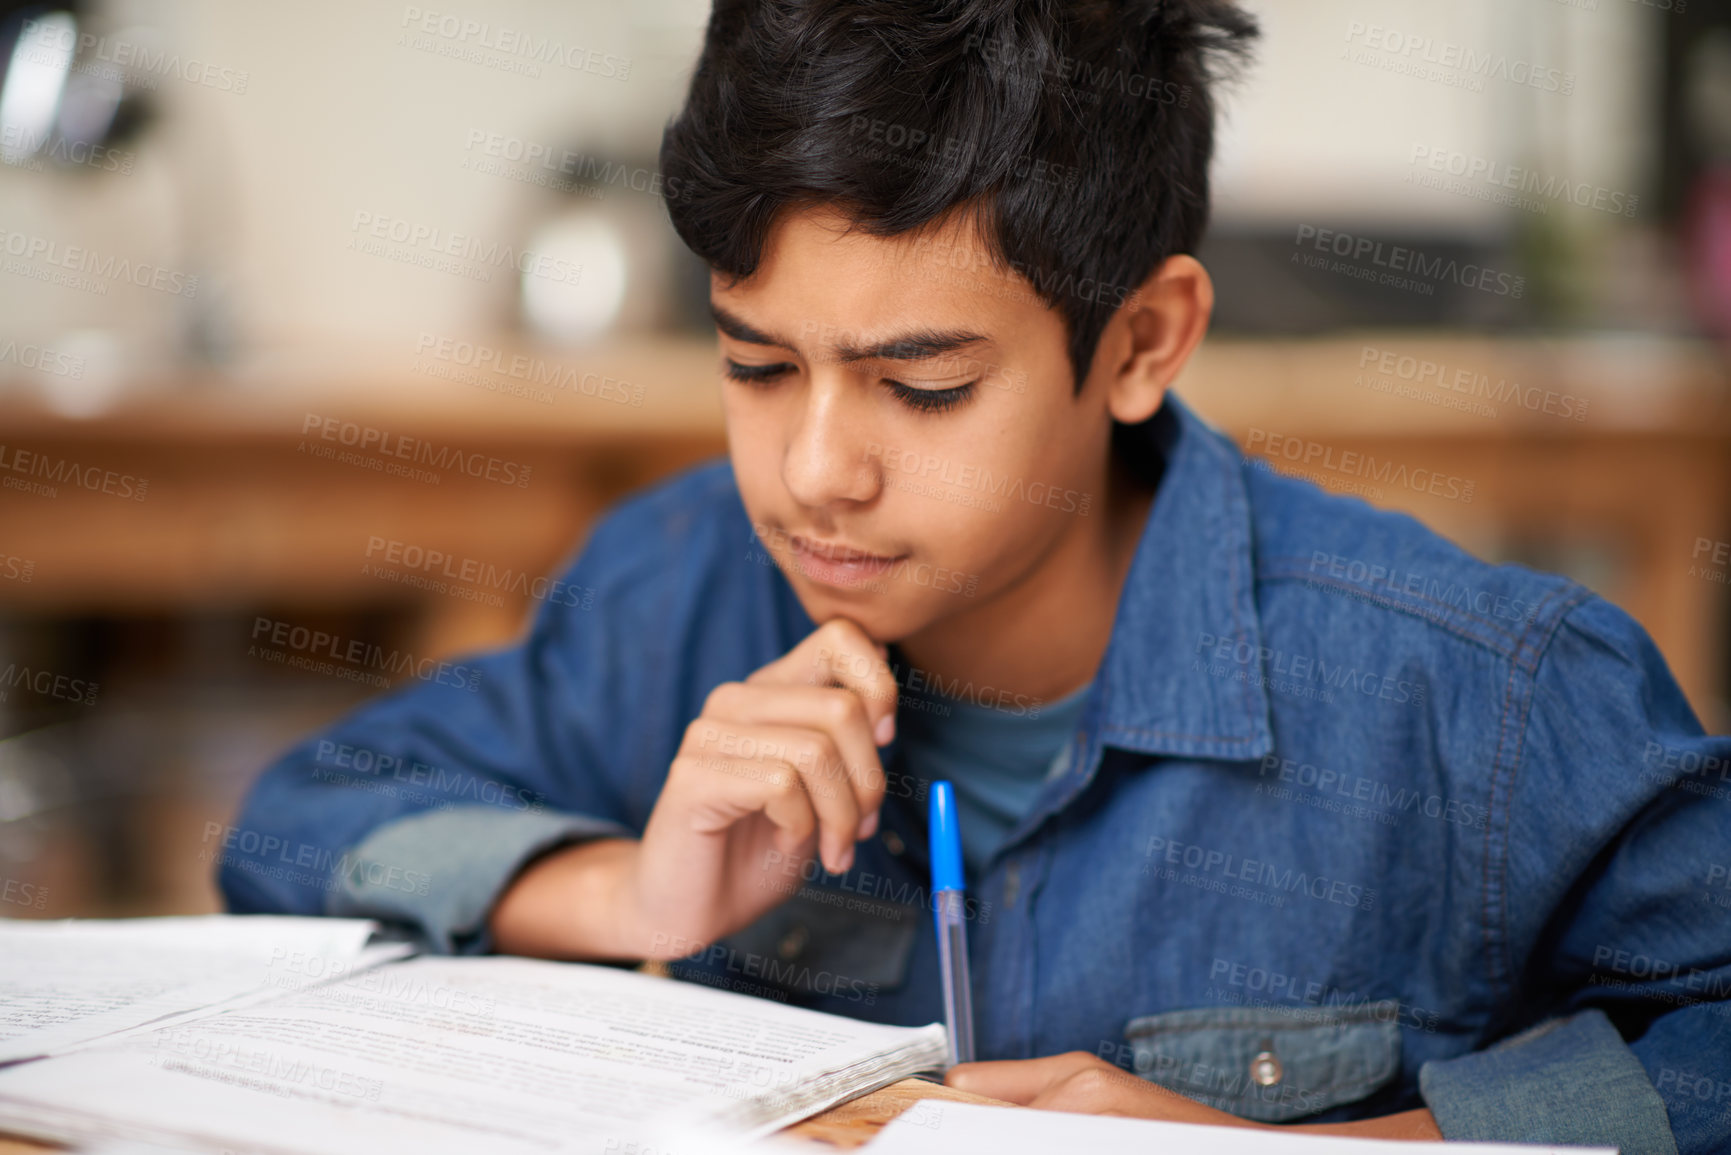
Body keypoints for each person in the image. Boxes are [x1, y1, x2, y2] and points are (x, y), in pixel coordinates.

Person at [220, 1, 1730, 1149]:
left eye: (922, 387)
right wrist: (630, 891)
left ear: (1141, 343)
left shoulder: (1473, 692)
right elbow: (294, 831)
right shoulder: (666, 590)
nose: (815, 470)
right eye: (755, 364)